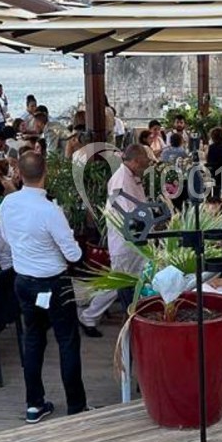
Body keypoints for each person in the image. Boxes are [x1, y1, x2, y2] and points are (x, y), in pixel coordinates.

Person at [0, 152, 87, 423]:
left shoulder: (8, 203)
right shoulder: (50, 210)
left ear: (19, 174)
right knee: (67, 341)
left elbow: (6, 237)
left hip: (24, 280)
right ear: (44, 172)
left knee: (33, 340)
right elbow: (73, 255)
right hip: (53, 282)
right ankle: (76, 406)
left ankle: (34, 404)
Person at [78, 143, 153, 334]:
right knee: (117, 282)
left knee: (135, 278)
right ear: (136, 161)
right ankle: (89, 317)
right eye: (145, 159)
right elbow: (128, 214)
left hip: (136, 239)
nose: (148, 162)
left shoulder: (131, 176)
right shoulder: (121, 180)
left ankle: (136, 315)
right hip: (126, 241)